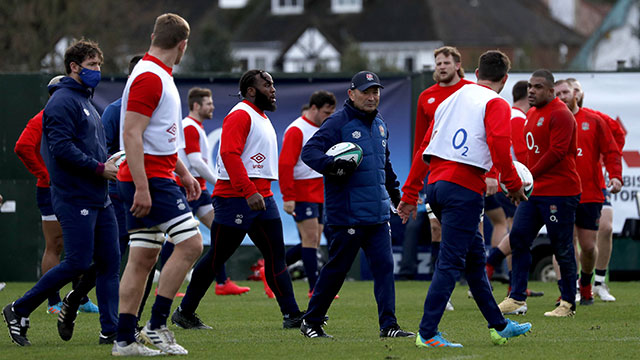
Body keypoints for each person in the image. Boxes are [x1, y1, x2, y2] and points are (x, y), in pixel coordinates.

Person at [399, 50, 531, 348]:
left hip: (436, 185)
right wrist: (512, 184)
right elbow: (499, 144)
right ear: (505, 79)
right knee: (450, 262)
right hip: (463, 188)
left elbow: (423, 147)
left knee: (474, 261)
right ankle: (428, 333)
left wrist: (410, 193)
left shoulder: (450, 99)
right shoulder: (494, 102)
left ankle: (499, 326)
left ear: (475, 72)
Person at [3, 39, 120, 347]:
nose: (97, 70)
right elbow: (61, 149)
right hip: (74, 196)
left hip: (99, 195)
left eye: (99, 64)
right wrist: (98, 168)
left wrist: (105, 164)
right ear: (74, 67)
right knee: (78, 262)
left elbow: (88, 148)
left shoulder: (87, 101)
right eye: (92, 65)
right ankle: (19, 308)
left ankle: (110, 331)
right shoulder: (62, 101)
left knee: (109, 262)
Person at [171, 69, 304, 332]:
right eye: (267, 85)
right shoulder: (240, 114)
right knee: (217, 257)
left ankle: (292, 315)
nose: (273, 89)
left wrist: (257, 192)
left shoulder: (261, 116)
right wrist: (248, 191)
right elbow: (229, 155)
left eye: (273, 84)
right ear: (252, 91)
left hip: (262, 196)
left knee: (276, 257)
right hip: (236, 198)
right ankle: (184, 312)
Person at [299, 70, 414, 339]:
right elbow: (309, 152)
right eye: (366, 91)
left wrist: (398, 199)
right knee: (337, 270)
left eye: (375, 91)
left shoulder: (380, 123)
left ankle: (389, 326)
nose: (372, 96)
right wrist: (332, 166)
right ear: (351, 94)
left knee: (385, 269)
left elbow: (384, 166)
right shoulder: (337, 122)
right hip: (347, 214)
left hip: (377, 214)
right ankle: (311, 321)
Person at [114, 13, 202, 356]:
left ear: (154, 36)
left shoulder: (156, 73)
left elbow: (157, 136)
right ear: (183, 46)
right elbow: (131, 133)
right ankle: (157, 324)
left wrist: (183, 171)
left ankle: (123, 340)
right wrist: (142, 186)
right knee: (192, 244)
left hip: (155, 174)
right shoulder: (151, 76)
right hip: (148, 178)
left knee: (142, 258)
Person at [498, 69, 582, 318]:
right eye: (530, 87)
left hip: (560, 192)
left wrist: (526, 177)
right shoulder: (532, 114)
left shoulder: (562, 115)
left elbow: (557, 153)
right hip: (535, 191)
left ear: (551, 90)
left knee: (562, 246)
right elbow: (530, 153)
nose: (531, 91)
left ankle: (567, 302)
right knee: (519, 238)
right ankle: (516, 297)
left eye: (537, 87)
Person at [14, 74, 100, 315]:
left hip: (75, 188)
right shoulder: (44, 117)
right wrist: (44, 174)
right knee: (55, 245)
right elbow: (22, 147)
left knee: (81, 245)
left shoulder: (79, 115)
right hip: (52, 189)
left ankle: (79, 298)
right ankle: (54, 301)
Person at [553, 79, 622, 305]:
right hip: (560, 191)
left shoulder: (593, 120)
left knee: (589, 246)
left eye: (565, 92)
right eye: (557, 93)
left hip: (590, 192)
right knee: (564, 241)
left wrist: (615, 175)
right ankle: (568, 289)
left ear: (576, 95)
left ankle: (589, 282)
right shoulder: (548, 119)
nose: (561, 97)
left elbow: (612, 150)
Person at [177, 87, 250, 296]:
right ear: (197, 106)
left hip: (199, 189)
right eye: (209, 103)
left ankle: (222, 282)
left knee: (221, 232)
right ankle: (168, 283)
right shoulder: (189, 126)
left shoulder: (196, 127)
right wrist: (221, 182)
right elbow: (195, 163)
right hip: (187, 189)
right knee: (176, 237)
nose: (213, 107)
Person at [414, 46, 474, 277]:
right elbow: (421, 143)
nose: (441, 67)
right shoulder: (426, 97)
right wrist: (416, 180)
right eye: (438, 63)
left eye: (446, 62)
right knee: (436, 227)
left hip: (466, 171)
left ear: (457, 65)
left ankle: (475, 281)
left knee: (471, 229)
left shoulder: (471, 91)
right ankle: (443, 282)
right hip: (436, 174)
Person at [279, 90, 336, 297]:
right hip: (301, 191)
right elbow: (285, 164)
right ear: (314, 109)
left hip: (318, 190)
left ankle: (272, 268)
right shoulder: (297, 129)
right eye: (326, 113)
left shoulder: (322, 129)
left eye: (331, 113)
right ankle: (315, 288)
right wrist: (288, 196)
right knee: (310, 238)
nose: (328, 117)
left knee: (312, 239)